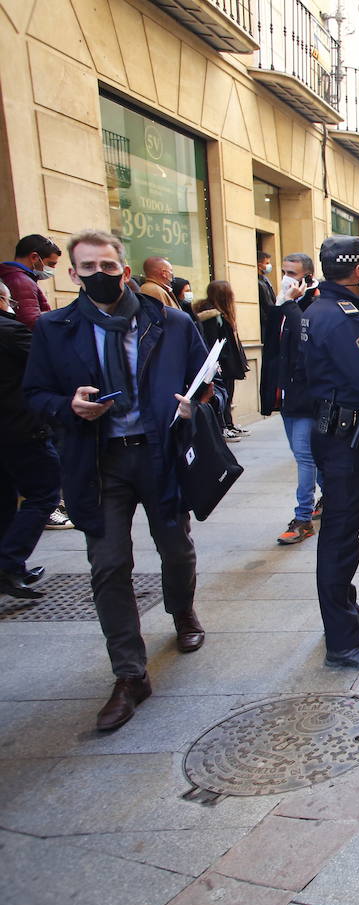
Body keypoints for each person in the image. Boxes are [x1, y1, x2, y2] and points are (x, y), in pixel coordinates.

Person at [23, 229, 210, 730]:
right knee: (108, 566)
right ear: (73, 274)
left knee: (175, 547)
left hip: (157, 455)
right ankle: (129, 674)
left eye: (108, 268)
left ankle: (182, 611)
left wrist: (197, 405)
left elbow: (206, 380)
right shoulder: (53, 329)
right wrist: (68, 406)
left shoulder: (169, 322)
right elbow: (35, 394)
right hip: (98, 462)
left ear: (125, 271)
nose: (100, 277)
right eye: (88, 269)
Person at [300, 236, 359, 671]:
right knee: (340, 536)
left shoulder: (318, 308)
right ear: (358, 271)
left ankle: (346, 611)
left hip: (337, 432)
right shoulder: (341, 318)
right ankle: (343, 640)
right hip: (343, 438)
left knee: (345, 530)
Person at [0, 279, 61, 598]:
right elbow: (49, 367)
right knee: (44, 494)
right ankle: (9, 563)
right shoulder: (12, 332)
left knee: (6, 499)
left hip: (10, 428)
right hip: (21, 428)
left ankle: (12, 564)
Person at [261, 252, 321, 545]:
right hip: (286, 394)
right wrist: (279, 305)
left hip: (306, 396)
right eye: (283, 271)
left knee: (303, 455)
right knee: (306, 456)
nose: (285, 277)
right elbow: (272, 342)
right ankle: (333, 496)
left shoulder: (314, 305)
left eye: (292, 273)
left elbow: (304, 339)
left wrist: (289, 304)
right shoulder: (286, 304)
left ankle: (303, 517)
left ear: (308, 277)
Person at [198, 280, 250, 440]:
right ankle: (224, 427)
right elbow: (215, 341)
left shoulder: (220, 314)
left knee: (228, 395)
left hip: (227, 362)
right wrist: (218, 363)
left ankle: (229, 424)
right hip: (222, 364)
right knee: (223, 395)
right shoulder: (212, 316)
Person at [0, 234, 62, 329]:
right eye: (50, 264)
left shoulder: (10, 275)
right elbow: (31, 322)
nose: (53, 268)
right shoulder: (22, 281)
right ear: (34, 257)